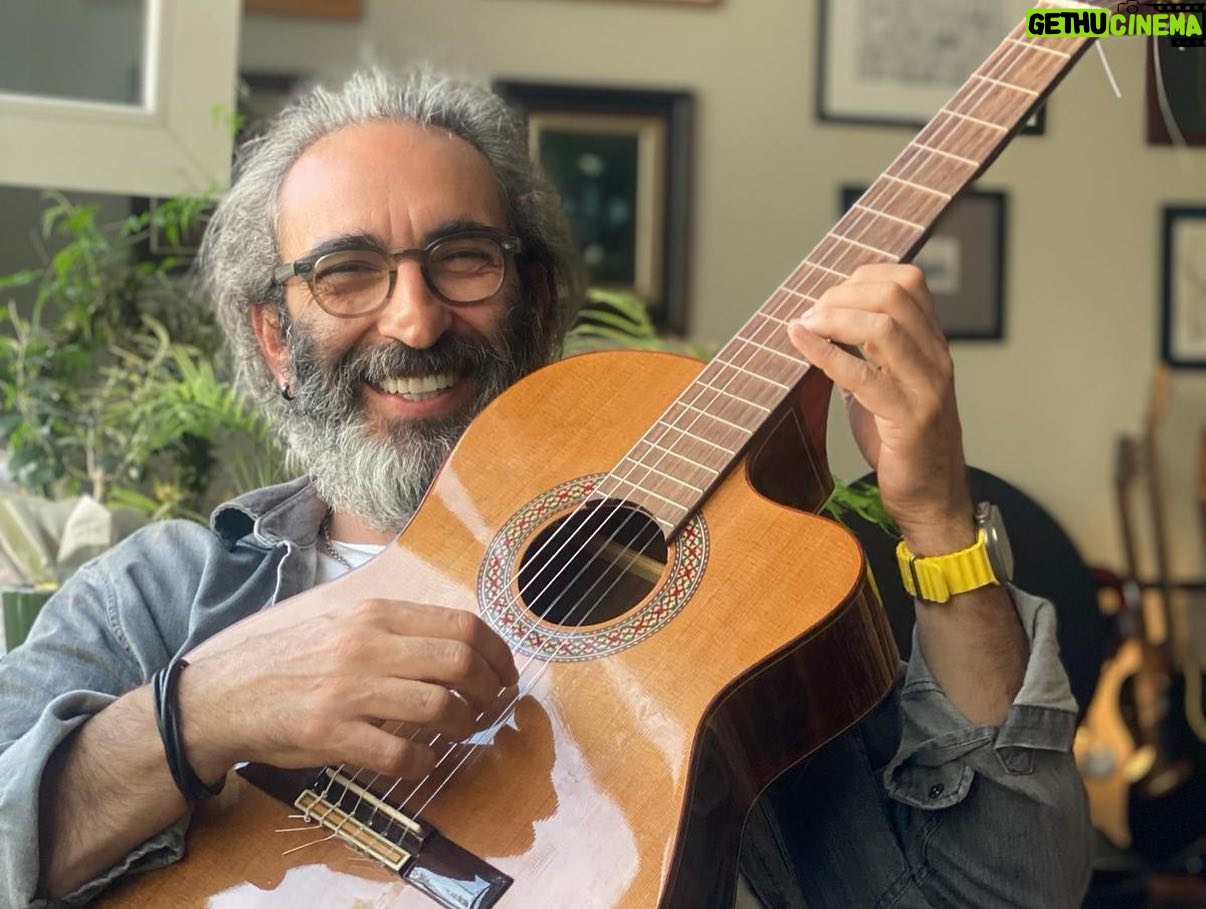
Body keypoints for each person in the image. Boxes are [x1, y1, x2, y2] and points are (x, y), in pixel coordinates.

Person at [0, 68, 1092, 908]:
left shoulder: (741, 611)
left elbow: (1005, 897)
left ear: (533, 297)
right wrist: (202, 710)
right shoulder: (159, 598)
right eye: (348, 273)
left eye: (462, 259)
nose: (415, 319)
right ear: (276, 337)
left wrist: (938, 518)